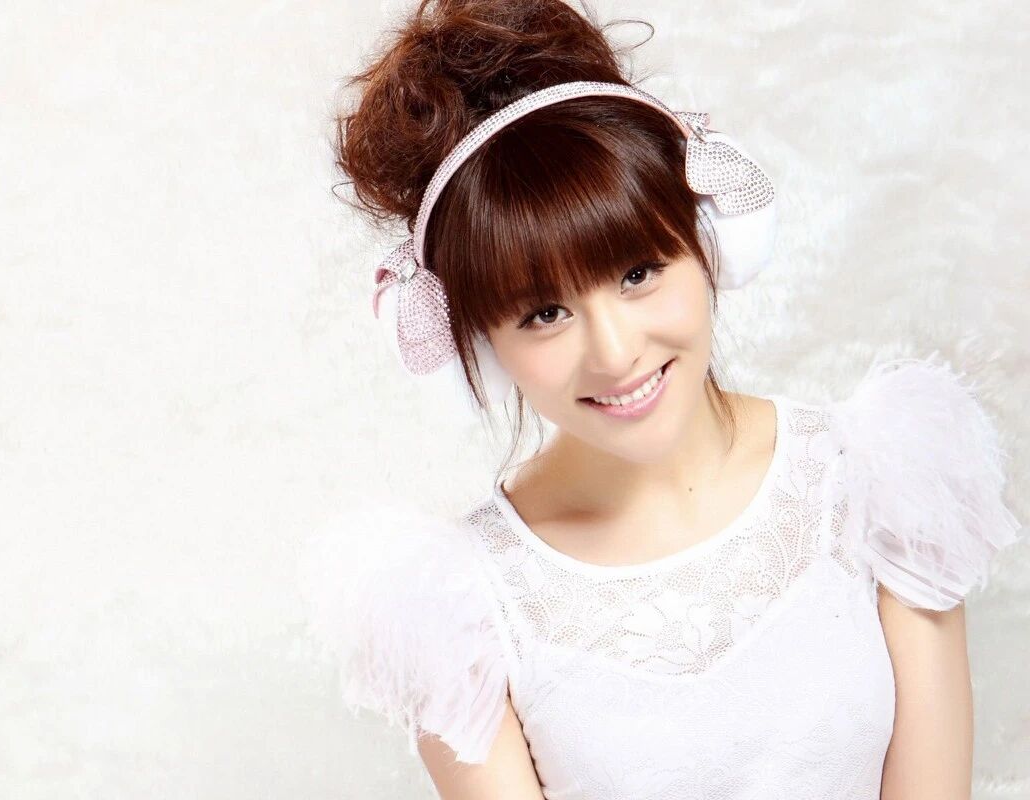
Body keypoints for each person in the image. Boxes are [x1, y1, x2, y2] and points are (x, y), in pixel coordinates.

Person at [295, 1, 1025, 798]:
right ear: (477, 346)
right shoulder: (461, 611)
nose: (615, 353)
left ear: (710, 239)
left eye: (638, 273)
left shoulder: (877, 482)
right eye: (544, 314)